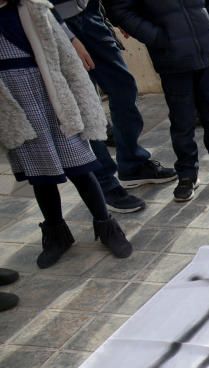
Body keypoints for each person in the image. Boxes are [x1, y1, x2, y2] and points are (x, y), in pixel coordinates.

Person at [0, 0, 132, 269]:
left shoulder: (33, 8)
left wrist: (78, 93)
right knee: (41, 174)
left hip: (52, 96)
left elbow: (66, 56)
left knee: (81, 167)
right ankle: (56, 234)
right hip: (14, 103)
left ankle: (106, 225)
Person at [107, 0, 209, 203]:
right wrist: (157, 37)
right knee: (182, 120)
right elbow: (119, 9)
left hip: (205, 50)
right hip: (171, 57)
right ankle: (187, 174)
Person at [51, 0, 176, 214]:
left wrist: (118, 16)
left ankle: (133, 165)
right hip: (58, 22)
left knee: (124, 88)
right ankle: (105, 183)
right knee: (87, 104)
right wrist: (68, 37)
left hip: (90, 13)